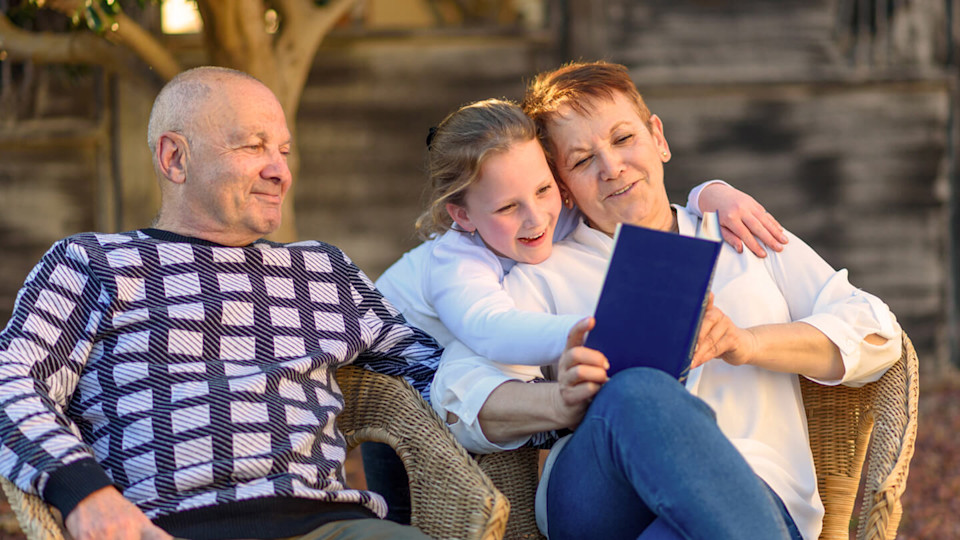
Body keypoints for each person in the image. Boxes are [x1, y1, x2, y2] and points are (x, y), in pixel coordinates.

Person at [432, 61, 903, 540]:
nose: (611, 167)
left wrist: (747, 342)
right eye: (580, 160)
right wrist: (561, 400)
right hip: (603, 500)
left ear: (658, 137)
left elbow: (877, 333)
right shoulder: (545, 272)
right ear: (563, 189)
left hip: (758, 496)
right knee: (638, 389)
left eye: (622, 139)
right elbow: (456, 397)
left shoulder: (741, 234)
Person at [0, 66, 440, 540]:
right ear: (175, 158)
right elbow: (11, 379)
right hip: (173, 526)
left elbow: (436, 376)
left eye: (284, 151)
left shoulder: (323, 269)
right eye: (253, 146)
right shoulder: (96, 263)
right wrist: (86, 495)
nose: (280, 172)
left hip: (332, 525)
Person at [365, 97, 787, 521]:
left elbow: (626, 203)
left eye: (544, 189)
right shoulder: (455, 262)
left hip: (461, 378)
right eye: (509, 207)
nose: (536, 219)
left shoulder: (550, 214)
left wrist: (709, 194)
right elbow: (488, 326)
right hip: (397, 391)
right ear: (463, 215)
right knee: (409, 522)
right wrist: (582, 331)